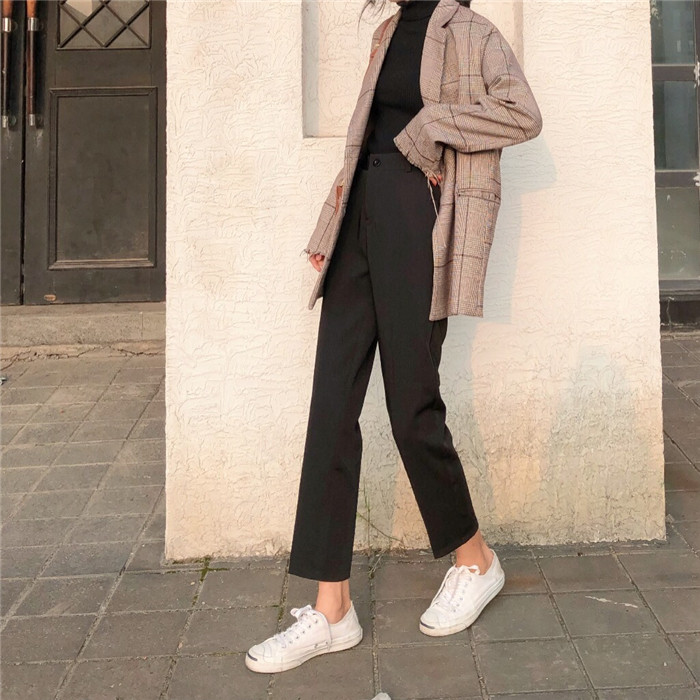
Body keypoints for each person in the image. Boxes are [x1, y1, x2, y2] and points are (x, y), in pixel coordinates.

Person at [246, 0, 542, 674]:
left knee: (411, 407)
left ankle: (475, 558)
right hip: (360, 217)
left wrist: (435, 124)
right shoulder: (386, 31)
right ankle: (331, 609)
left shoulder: (472, 32)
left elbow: (523, 113)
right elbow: (362, 144)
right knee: (331, 408)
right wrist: (331, 227)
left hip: (419, 217)